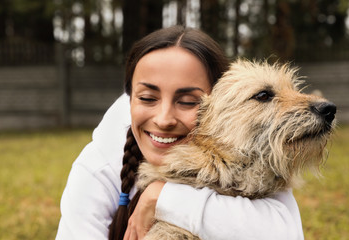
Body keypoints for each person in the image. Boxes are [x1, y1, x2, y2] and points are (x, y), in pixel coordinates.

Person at [56, 26, 304, 240]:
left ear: (221, 105)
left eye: (187, 101)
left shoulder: (246, 153)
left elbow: (285, 231)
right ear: (130, 100)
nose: (163, 120)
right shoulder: (99, 165)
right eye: (147, 97)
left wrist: (161, 198)